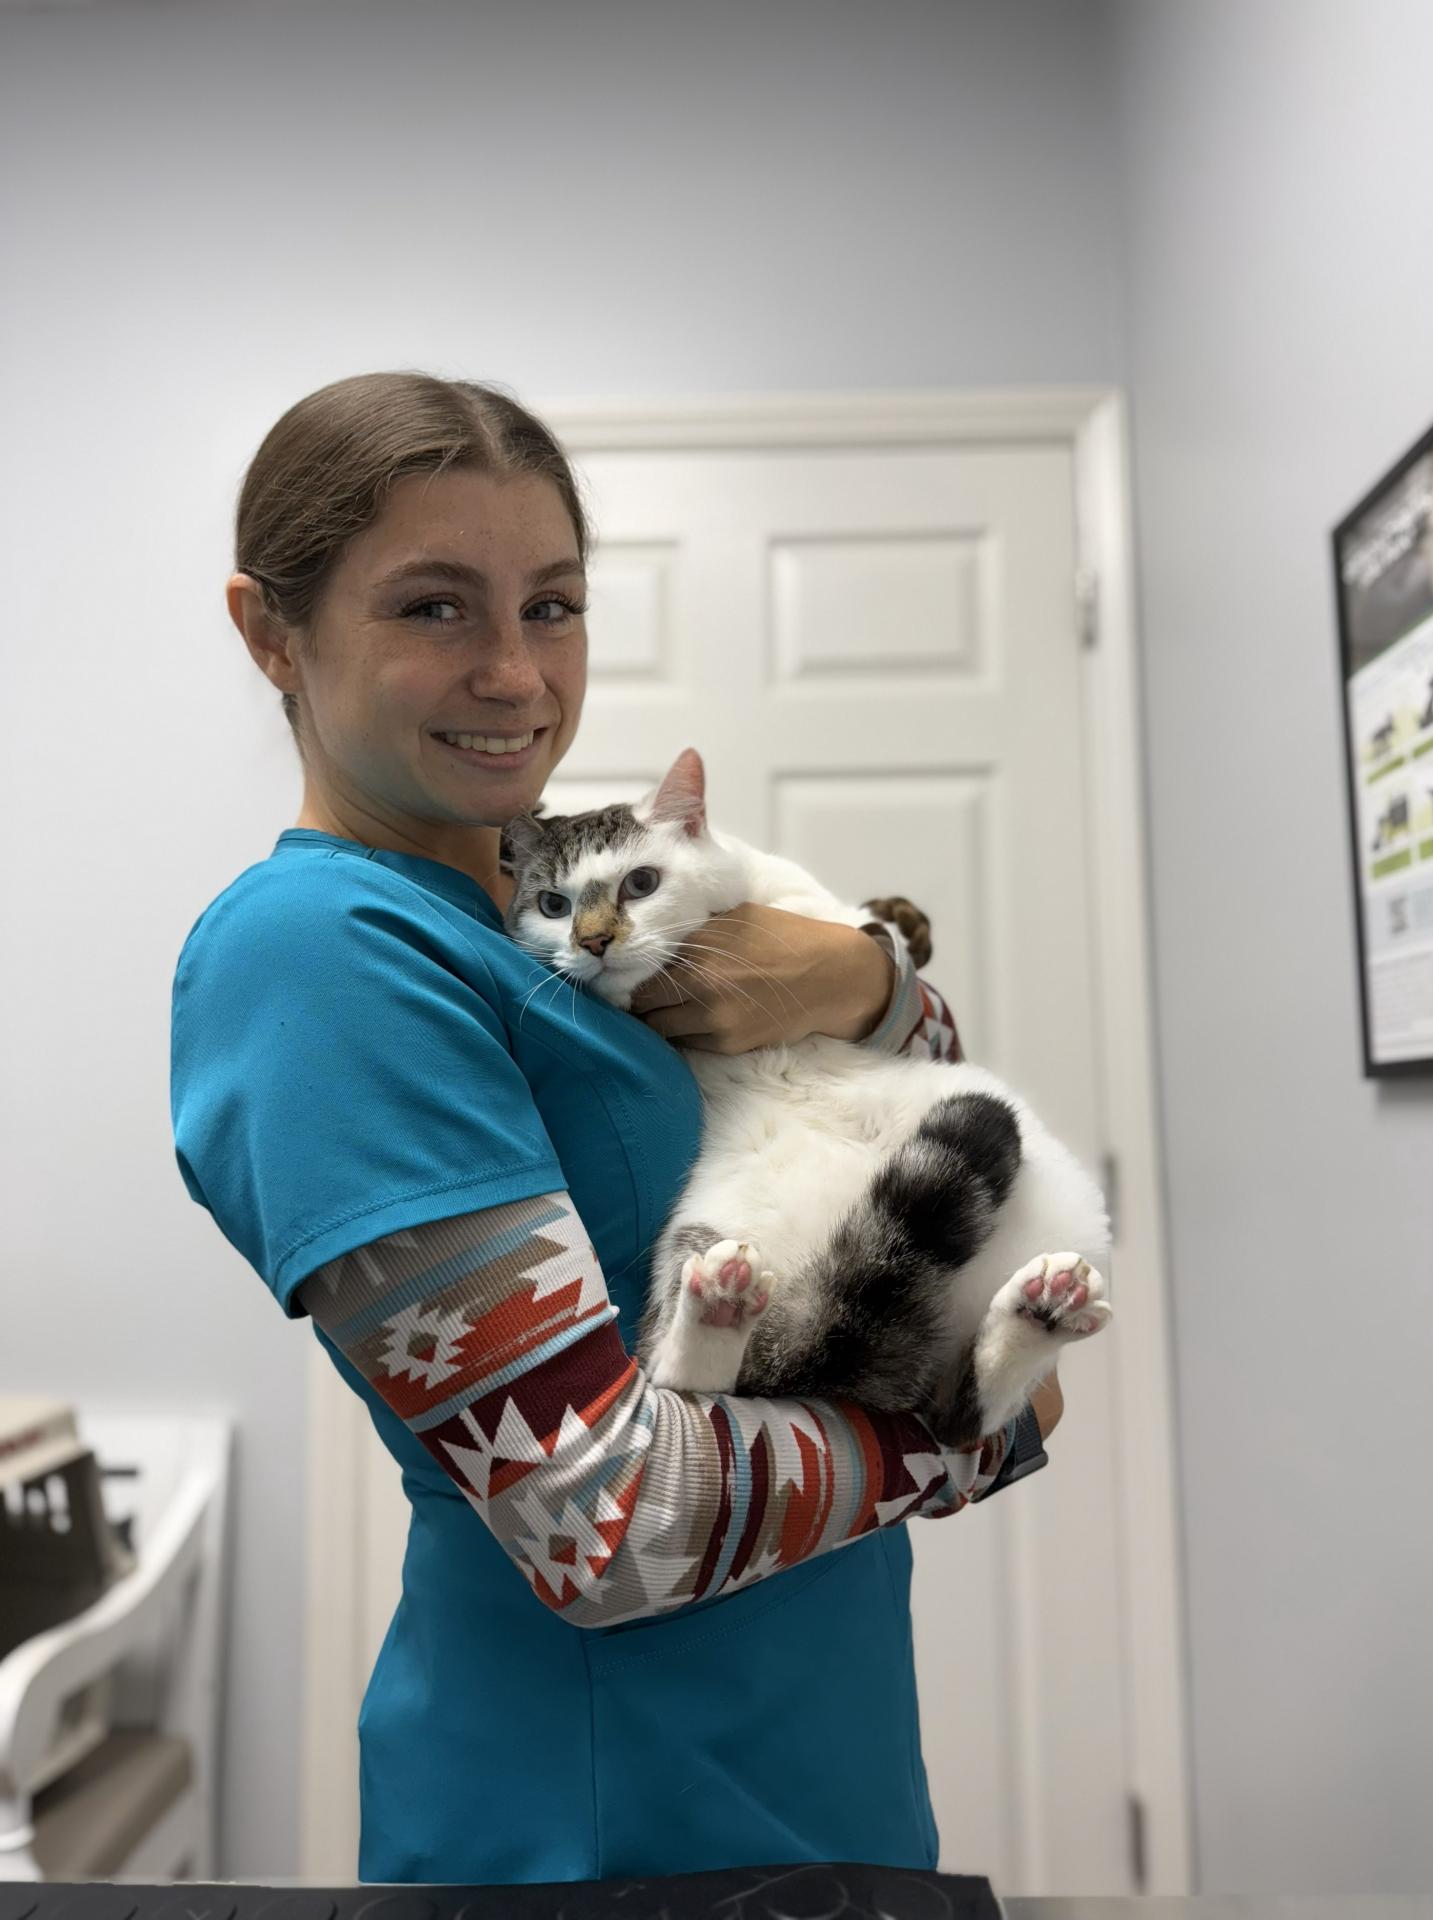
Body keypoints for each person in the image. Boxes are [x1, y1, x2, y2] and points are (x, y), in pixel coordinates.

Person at [169, 372, 1064, 1888]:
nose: (517, 673)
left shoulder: (555, 895)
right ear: (271, 633)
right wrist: (975, 1428)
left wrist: (864, 975)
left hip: (819, 1785)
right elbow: (611, 1522)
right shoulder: (319, 955)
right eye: (435, 609)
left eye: (556, 605)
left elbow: (941, 1116)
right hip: (602, 1830)